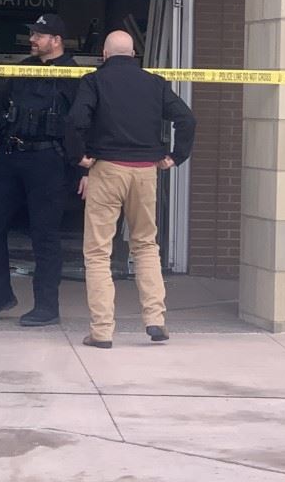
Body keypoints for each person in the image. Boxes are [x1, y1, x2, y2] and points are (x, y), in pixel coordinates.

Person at [66, 30, 196, 349]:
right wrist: (175, 157)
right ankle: (155, 320)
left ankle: (102, 331)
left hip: (107, 168)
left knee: (98, 251)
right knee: (146, 245)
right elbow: (187, 119)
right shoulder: (154, 83)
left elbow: (74, 121)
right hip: (145, 172)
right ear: (135, 53)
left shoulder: (94, 81)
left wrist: (79, 156)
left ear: (104, 55)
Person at [0, 13, 79, 327]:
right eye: (33, 34)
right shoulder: (22, 69)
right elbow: (0, 111)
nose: (33, 40)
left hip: (49, 161)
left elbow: (83, 124)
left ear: (56, 40)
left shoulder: (74, 75)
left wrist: (84, 168)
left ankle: (47, 306)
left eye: (39, 35)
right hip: (9, 156)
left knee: (44, 234)